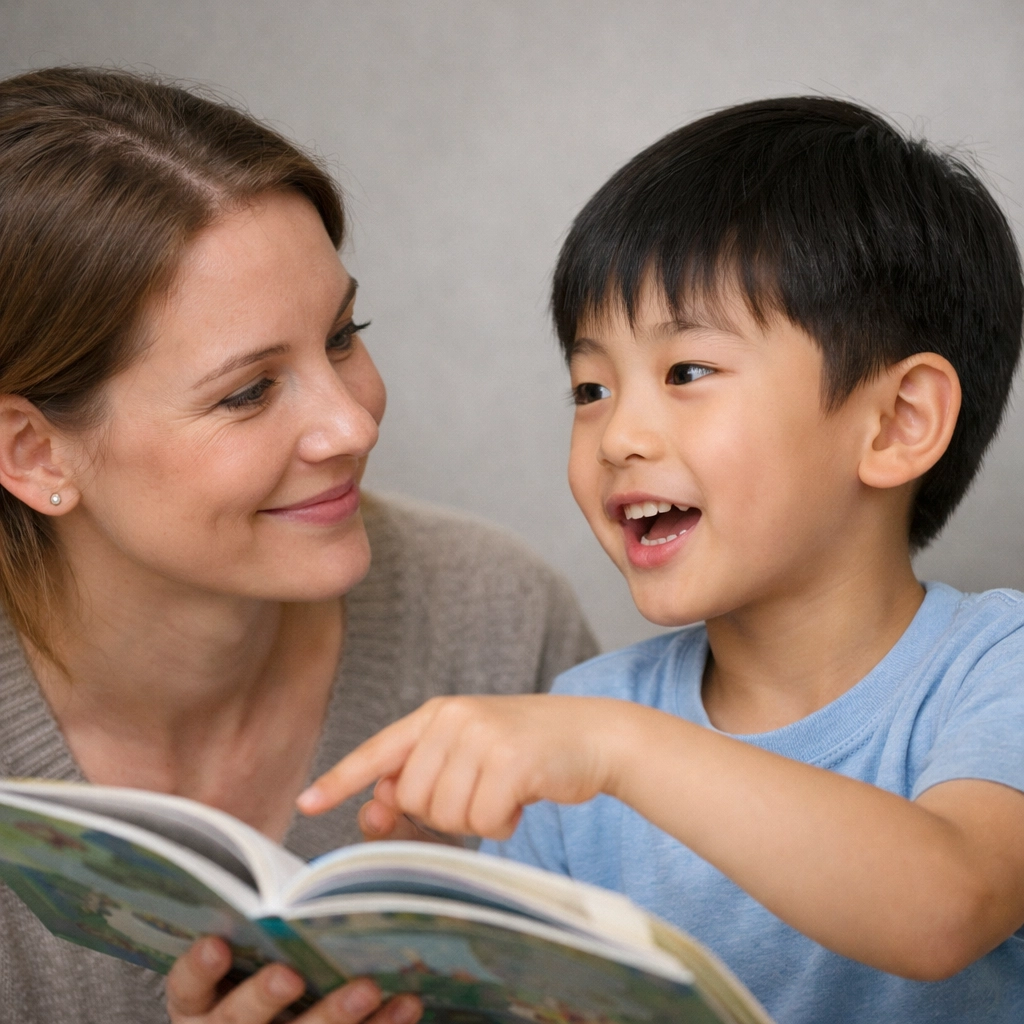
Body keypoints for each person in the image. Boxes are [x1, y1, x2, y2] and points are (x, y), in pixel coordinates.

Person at [303, 97, 1024, 1023]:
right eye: (590, 388)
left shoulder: (995, 669)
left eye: (686, 372)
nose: (618, 436)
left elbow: (945, 905)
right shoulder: (578, 729)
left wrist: (613, 750)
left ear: (898, 421)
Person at [0, 66, 597, 1024]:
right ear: (32, 452)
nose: (351, 426)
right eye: (247, 391)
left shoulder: (498, 621)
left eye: (343, 335)